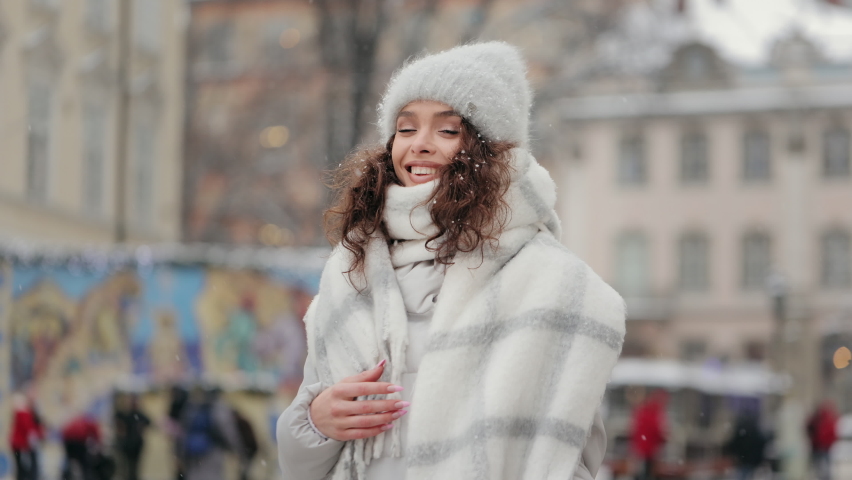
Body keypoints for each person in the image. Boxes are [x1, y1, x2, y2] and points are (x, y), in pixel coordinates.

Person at [276, 42, 626, 480]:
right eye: (405, 129)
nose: (419, 146)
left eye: (446, 130)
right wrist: (316, 423)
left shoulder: (550, 283)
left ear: (490, 150)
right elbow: (296, 466)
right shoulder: (351, 271)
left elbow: (569, 459)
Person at [178, 386, 241, 480]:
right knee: (211, 475)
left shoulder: (191, 407)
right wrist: (235, 448)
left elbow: (183, 431)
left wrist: (180, 452)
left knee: (194, 474)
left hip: (191, 449)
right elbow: (225, 430)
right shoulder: (217, 408)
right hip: (212, 449)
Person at [629, 389, 668, 480]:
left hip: (641, 447)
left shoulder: (642, 411)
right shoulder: (655, 413)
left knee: (641, 470)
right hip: (649, 449)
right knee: (648, 471)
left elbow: (635, 429)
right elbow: (656, 431)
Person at [113, 393, 152, 480]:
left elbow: (149, 422)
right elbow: (118, 421)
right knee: (126, 466)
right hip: (127, 444)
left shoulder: (139, 414)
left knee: (134, 466)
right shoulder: (126, 414)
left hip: (137, 444)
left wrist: (141, 428)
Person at [723, 412, 769, 480]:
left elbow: (733, 445)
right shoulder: (755, 433)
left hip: (744, 461)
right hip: (749, 461)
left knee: (743, 475)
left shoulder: (742, 433)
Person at [9, 394, 44, 480]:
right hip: (21, 445)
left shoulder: (29, 413)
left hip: (21, 445)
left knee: (24, 467)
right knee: (25, 467)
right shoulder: (24, 413)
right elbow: (28, 428)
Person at [61, 413, 103, 480]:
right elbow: (96, 434)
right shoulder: (90, 422)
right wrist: (99, 443)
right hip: (78, 441)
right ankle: (87, 477)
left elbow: (64, 431)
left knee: (69, 459)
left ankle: (65, 476)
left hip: (68, 440)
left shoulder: (76, 420)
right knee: (84, 462)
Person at [806, 400, 839, 480]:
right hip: (818, 446)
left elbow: (832, 433)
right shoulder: (817, 419)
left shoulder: (826, 419)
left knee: (822, 465)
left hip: (822, 446)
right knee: (820, 465)